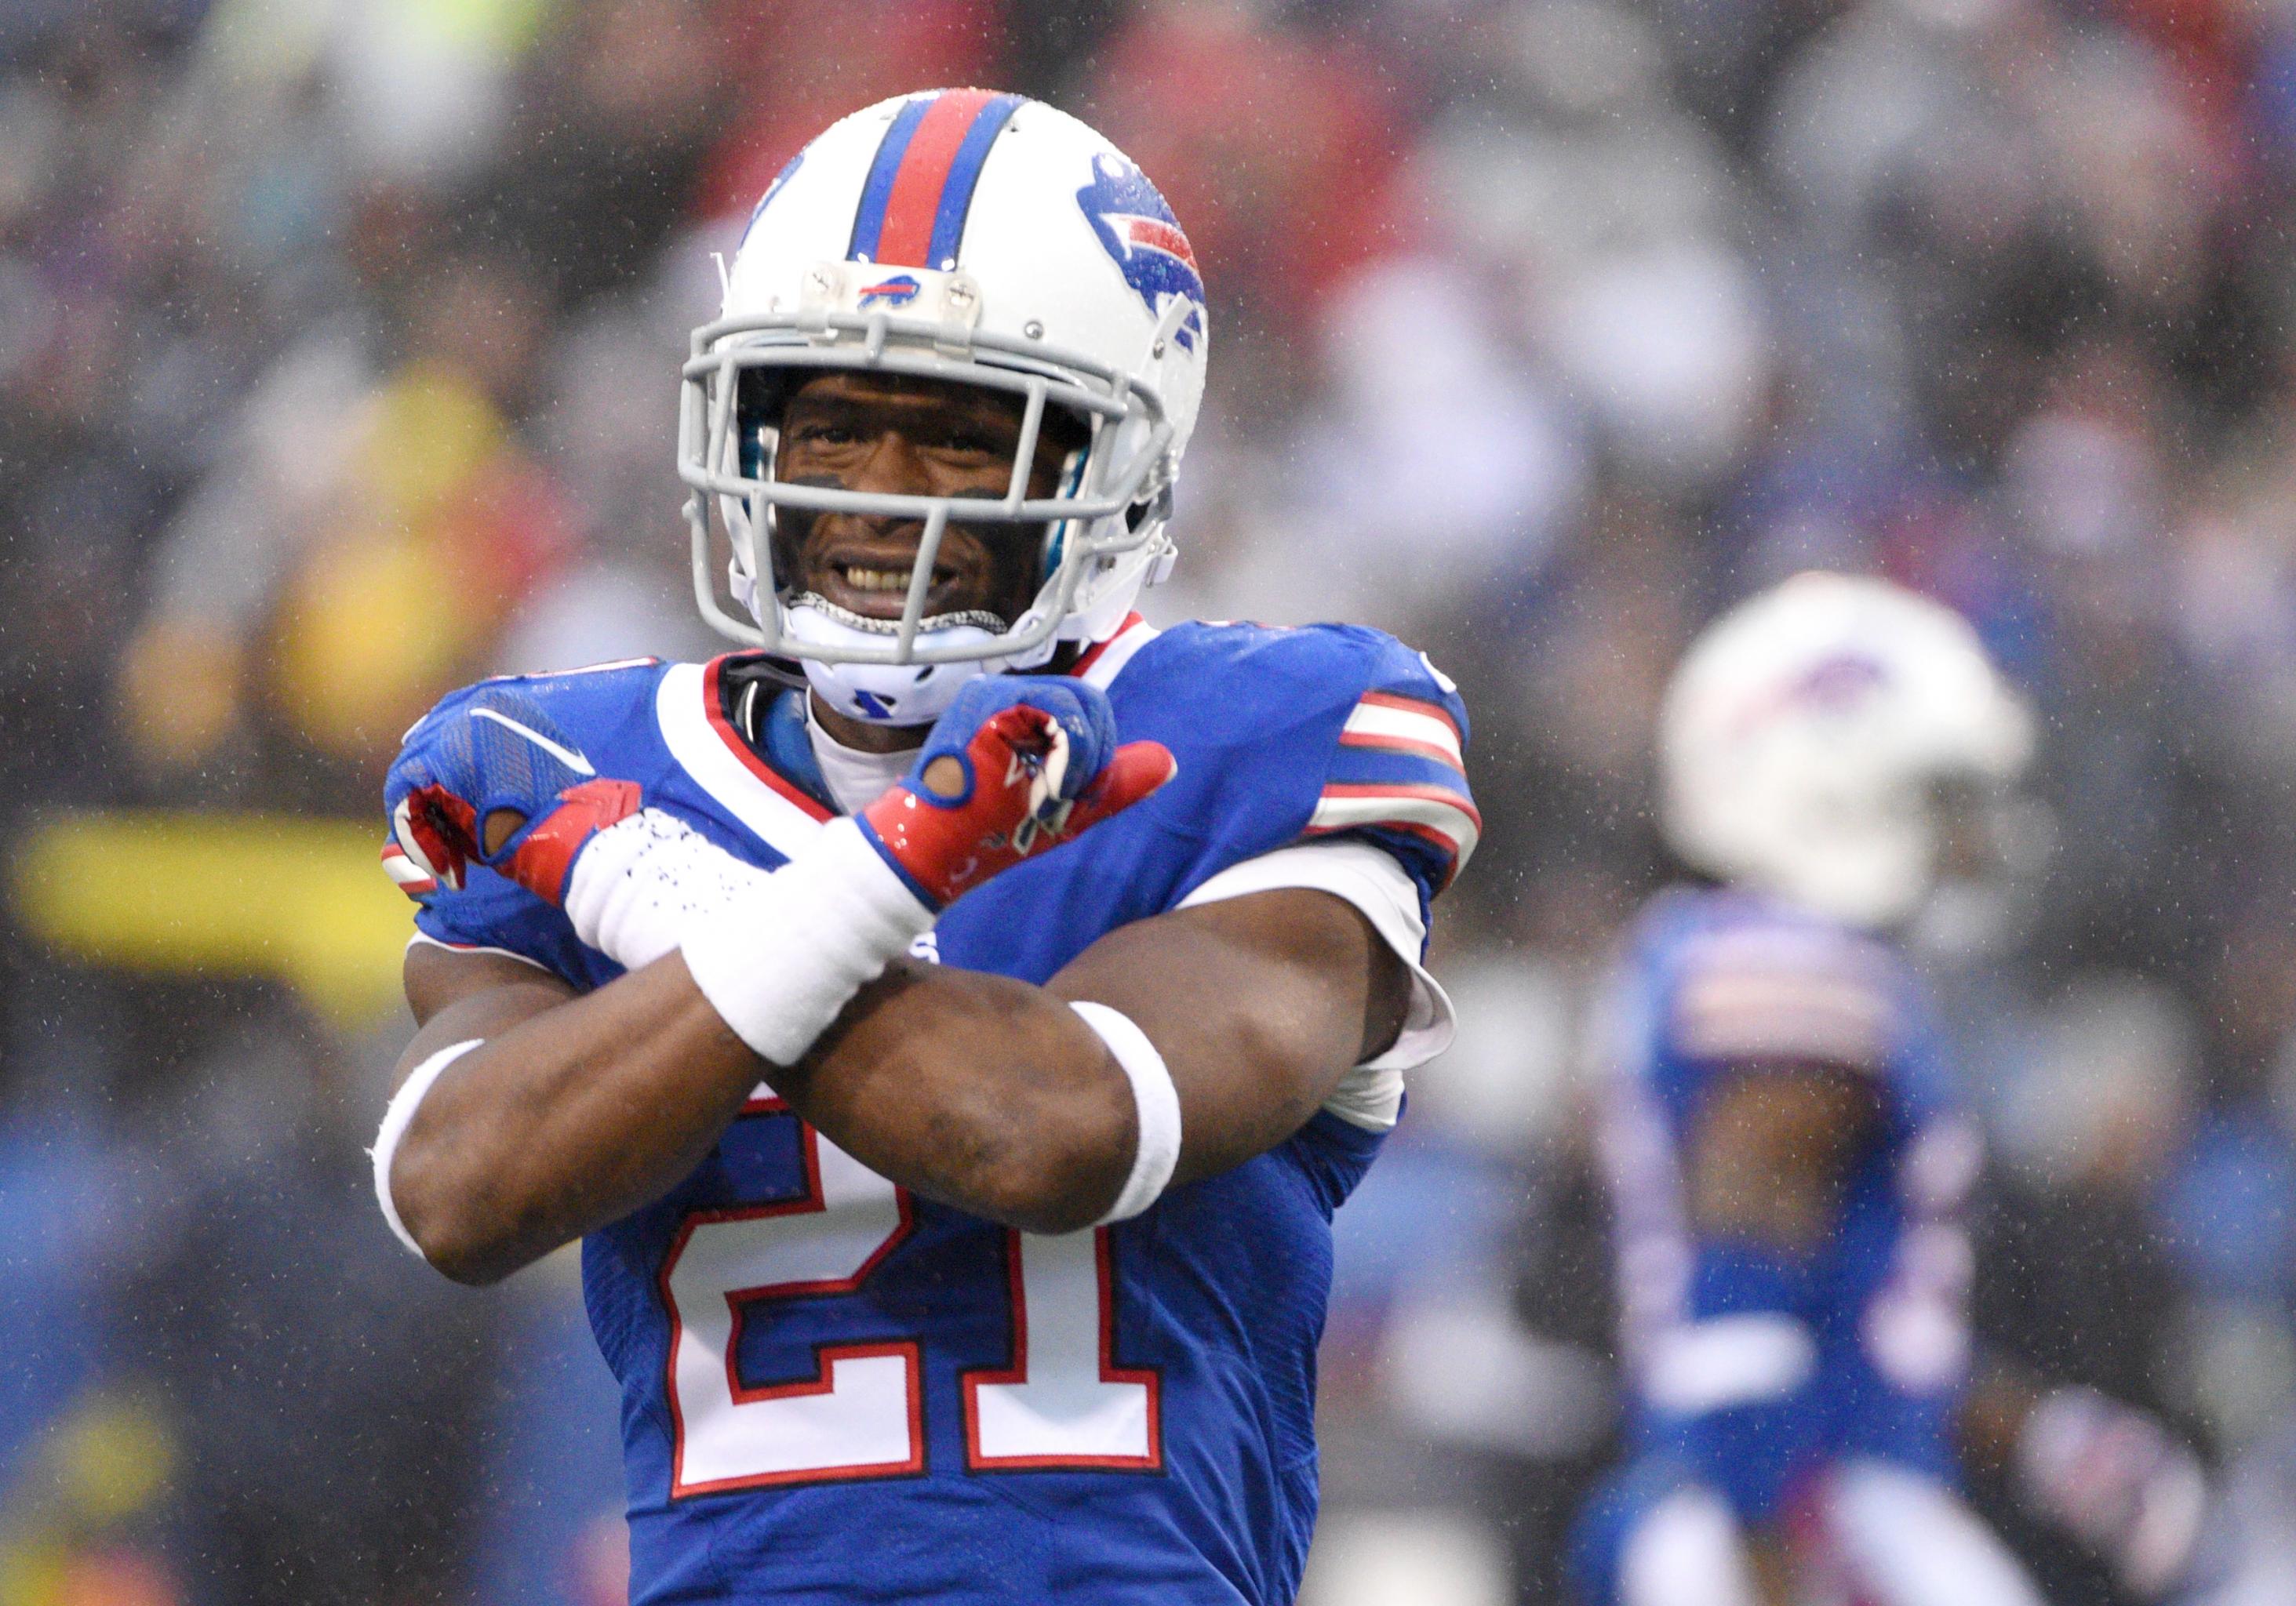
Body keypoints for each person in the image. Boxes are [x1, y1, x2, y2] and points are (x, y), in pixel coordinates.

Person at [369, 90, 1477, 1605]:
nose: (870, 495)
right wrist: (827, 870)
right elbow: (461, 1190)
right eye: (827, 423)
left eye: (962, 437)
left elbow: (1045, 1129)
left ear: (1115, 457)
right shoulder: (585, 773)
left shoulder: (1257, 736)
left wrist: (651, 882)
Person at [1566, 574, 2203, 1606]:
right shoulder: (1793, 975)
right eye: (1939, 799)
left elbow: (1848, 1331)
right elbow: (1740, 1322)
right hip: (1794, 1522)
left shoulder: (1744, 957)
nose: (1973, 837)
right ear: (1825, 791)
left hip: (1801, 1501)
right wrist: (1776, 1561)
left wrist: (2038, 1435)